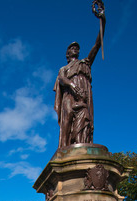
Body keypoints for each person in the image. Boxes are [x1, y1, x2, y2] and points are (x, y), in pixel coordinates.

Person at [53, 10, 106, 148]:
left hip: (83, 95)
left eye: (77, 47)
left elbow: (97, 45)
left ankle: (81, 146)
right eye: (72, 47)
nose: (75, 48)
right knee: (67, 121)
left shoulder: (85, 63)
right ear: (67, 53)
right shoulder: (63, 69)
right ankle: (63, 149)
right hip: (69, 96)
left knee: (84, 123)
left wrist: (103, 20)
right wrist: (71, 84)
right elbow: (62, 79)